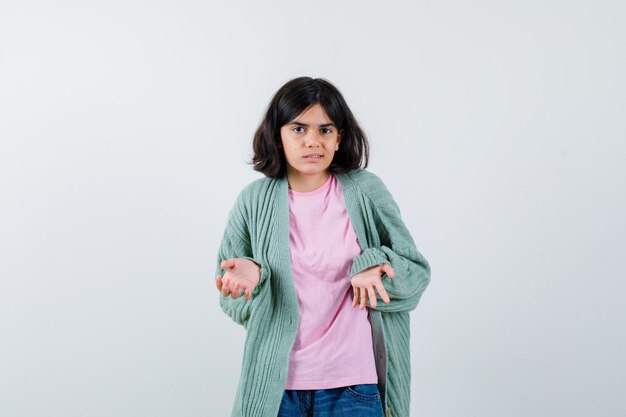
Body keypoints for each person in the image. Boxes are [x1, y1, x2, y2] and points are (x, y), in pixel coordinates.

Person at [214, 76, 431, 417]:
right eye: (298, 129)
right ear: (278, 135)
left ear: (339, 137)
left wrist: (376, 266)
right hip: (277, 390)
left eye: (325, 130)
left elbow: (415, 274)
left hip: (355, 388)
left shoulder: (366, 191)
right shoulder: (253, 201)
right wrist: (255, 280)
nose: (312, 141)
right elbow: (232, 303)